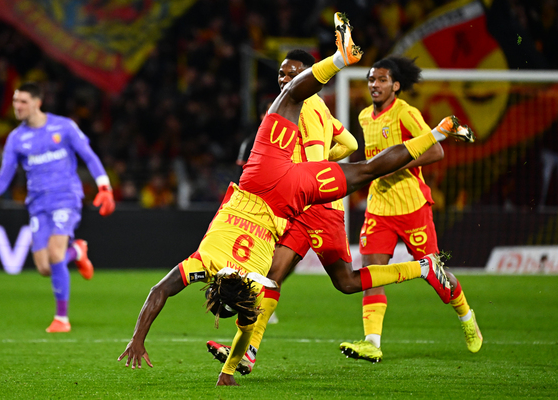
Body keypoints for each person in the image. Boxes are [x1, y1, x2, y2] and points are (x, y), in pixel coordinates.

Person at [118, 13, 473, 387]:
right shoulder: (202, 262)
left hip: (292, 196)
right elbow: (159, 291)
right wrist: (137, 337)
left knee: (365, 171)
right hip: (268, 177)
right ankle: (344, 61)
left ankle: (435, 137)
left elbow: (244, 321)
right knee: (297, 106)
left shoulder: (255, 283)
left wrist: (226, 373)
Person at [206, 48, 360, 375]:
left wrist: (299, 172)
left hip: (308, 202)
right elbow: (350, 145)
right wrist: (322, 163)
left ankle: (420, 269)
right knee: (274, 276)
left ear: (310, 74)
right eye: (282, 74)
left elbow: (309, 161)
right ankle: (247, 353)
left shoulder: (303, 106)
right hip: (311, 200)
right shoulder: (321, 108)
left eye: (293, 74)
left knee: (344, 281)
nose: (285, 79)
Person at [339, 56, 483, 363]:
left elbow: (435, 150)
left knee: (434, 274)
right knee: (371, 272)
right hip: (378, 208)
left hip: (412, 206)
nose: (374, 85)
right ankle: (372, 343)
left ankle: (466, 316)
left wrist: (392, 167)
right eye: (370, 79)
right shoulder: (364, 116)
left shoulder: (406, 113)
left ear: (396, 85)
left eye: (381, 80)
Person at [0, 82, 115, 333]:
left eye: (23, 101)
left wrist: (104, 187)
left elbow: (89, 156)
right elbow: (4, 177)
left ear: (37, 102)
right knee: (45, 267)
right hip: (37, 203)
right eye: (15, 101)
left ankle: (61, 318)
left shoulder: (64, 126)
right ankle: (77, 251)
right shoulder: (16, 138)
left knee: (56, 254)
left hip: (65, 197)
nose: (17, 106)